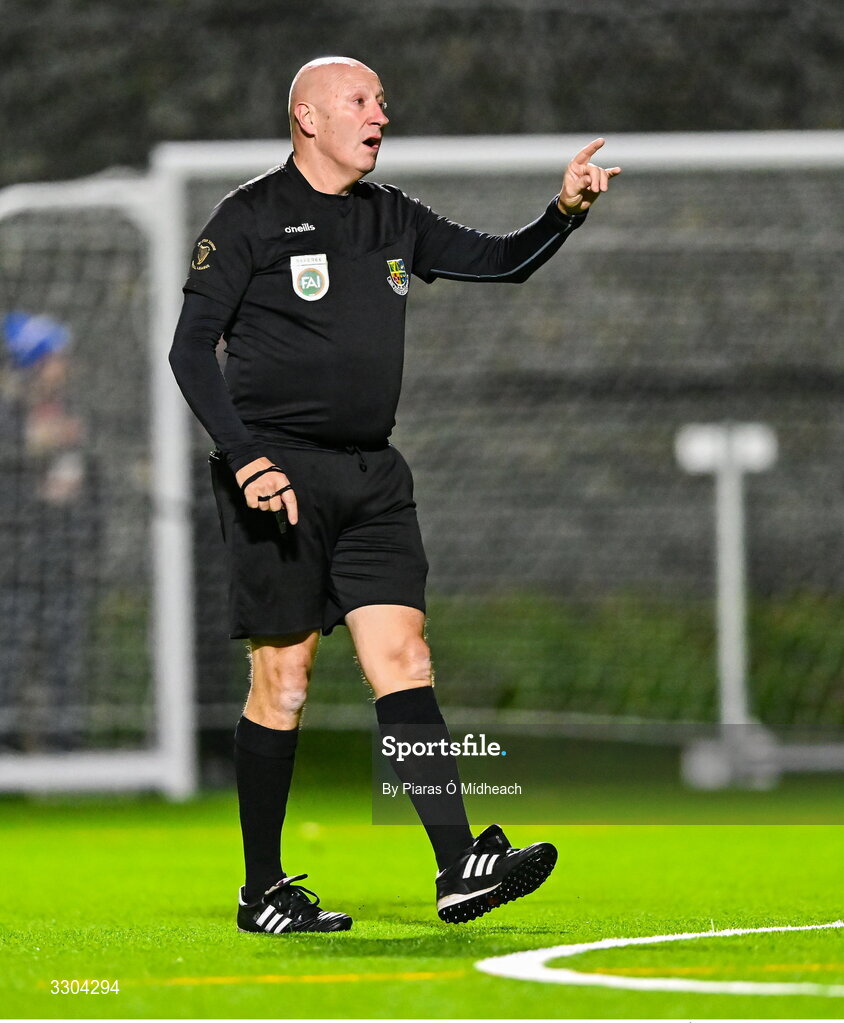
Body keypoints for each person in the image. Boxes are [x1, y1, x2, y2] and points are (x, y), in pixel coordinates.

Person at [169, 56, 620, 934]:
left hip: (374, 477)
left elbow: (503, 262)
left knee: (404, 662)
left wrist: (563, 211)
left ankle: (458, 866)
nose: (383, 112)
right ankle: (264, 891)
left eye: (381, 100)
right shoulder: (248, 217)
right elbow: (191, 351)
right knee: (285, 681)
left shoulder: (394, 217)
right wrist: (246, 458)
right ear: (307, 116)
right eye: (362, 101)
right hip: (279, 482)